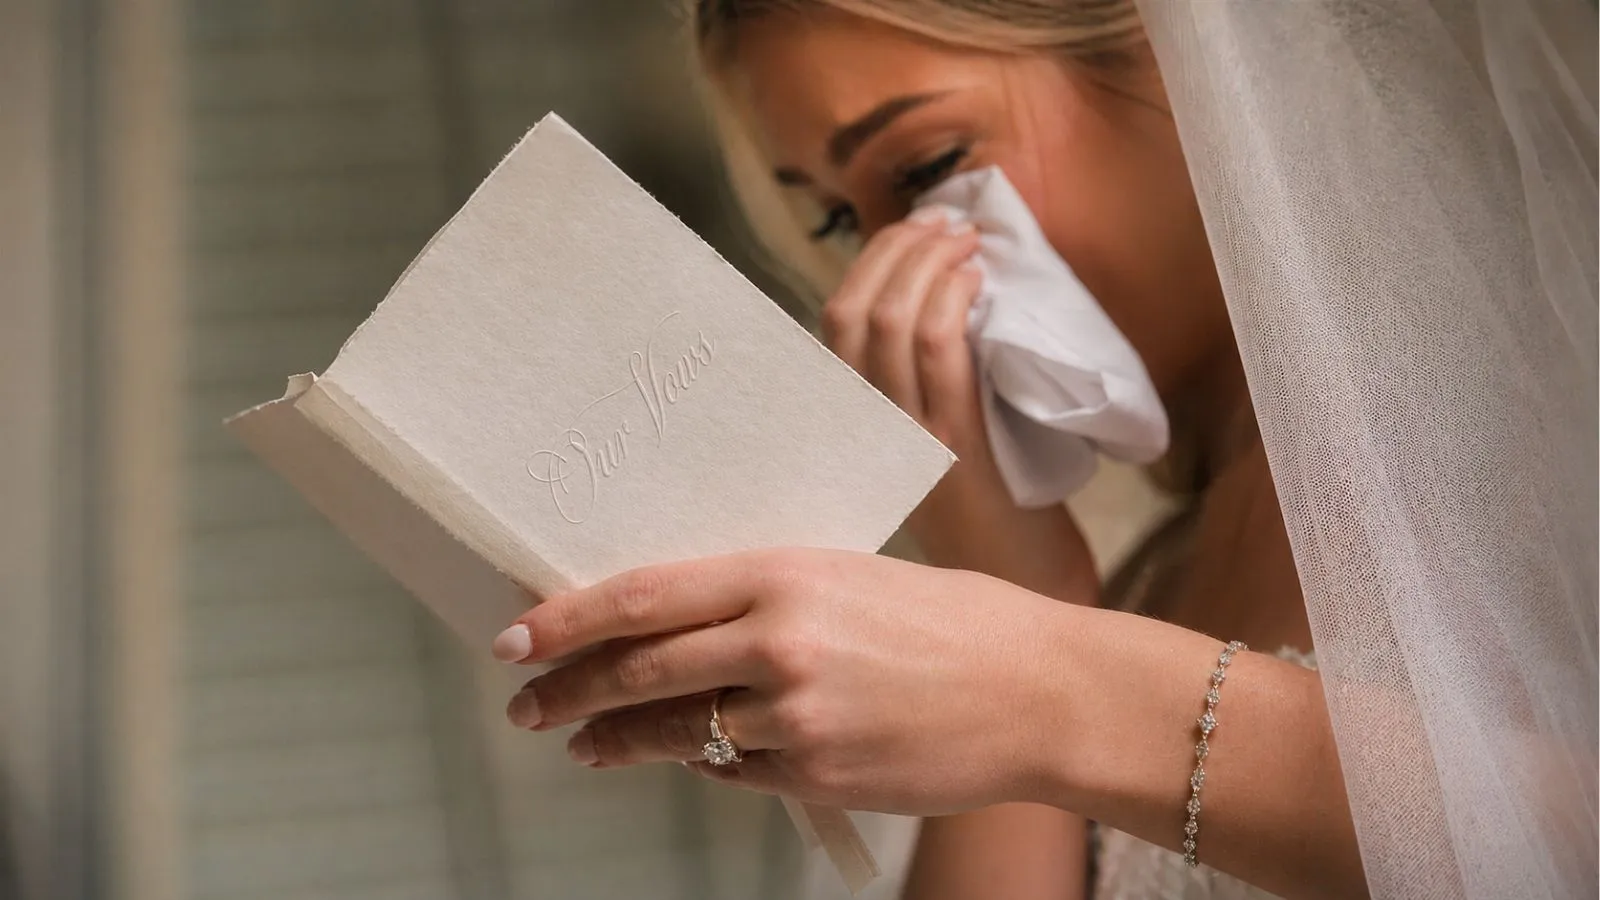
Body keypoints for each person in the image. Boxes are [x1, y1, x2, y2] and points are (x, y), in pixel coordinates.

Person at [490, 2, 1598, 898]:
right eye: (839, 222)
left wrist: (1056, 687)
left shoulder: (1556, 472)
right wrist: (1019, 587)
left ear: (1184, 65)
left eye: (924, 170)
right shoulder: (1141, 578)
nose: (890, 273)